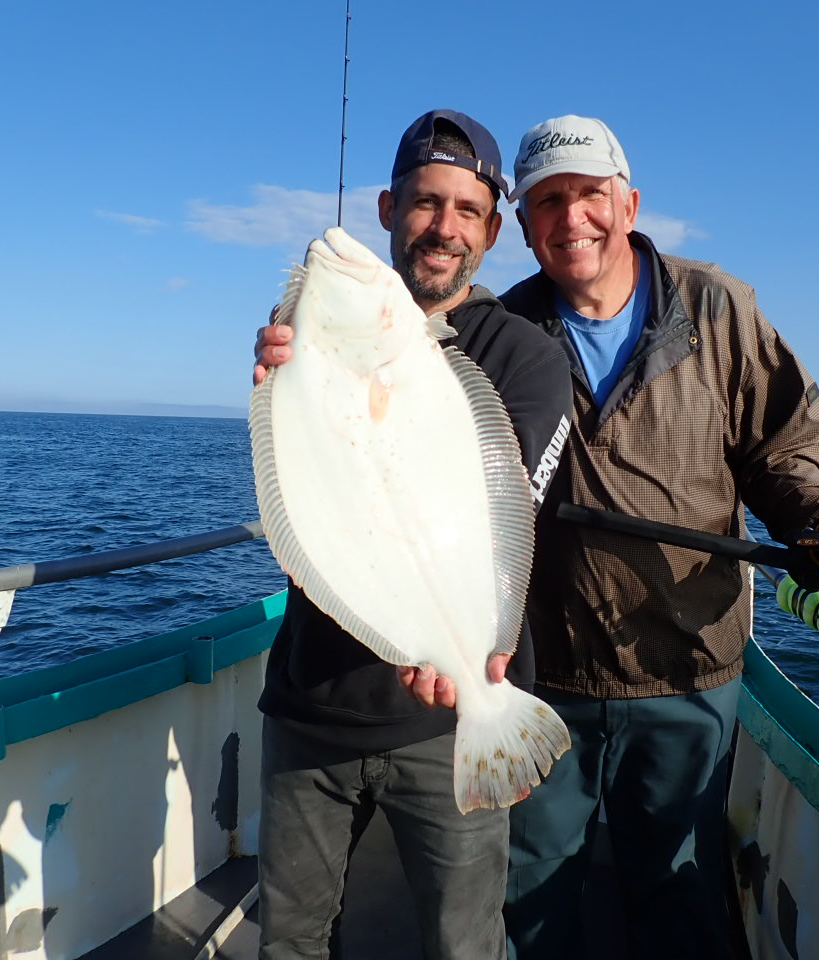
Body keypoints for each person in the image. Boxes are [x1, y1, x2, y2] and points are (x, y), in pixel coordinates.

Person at [410, 114, 819, 959]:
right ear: (521, 227)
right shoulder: (496, 331)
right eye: (548, 202)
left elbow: (784, 444)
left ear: (630, 202)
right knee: (530, 892)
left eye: (590, 195)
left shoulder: (714, 305)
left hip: (688, 672)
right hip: (544, 673)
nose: (574, 218)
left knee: (677, 895)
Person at [251, 110, 574, 960]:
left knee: (462, 946)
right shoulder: (308, 339)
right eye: (427, 204)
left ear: (493, 230)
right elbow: (310, 474)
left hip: (447, 721)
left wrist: (473, 664)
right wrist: (280, 383)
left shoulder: (527, 358)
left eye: (467, 211)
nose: (444, 228)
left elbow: (508, 507)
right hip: (310, 703)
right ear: (390, 208)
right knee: (287, 939)